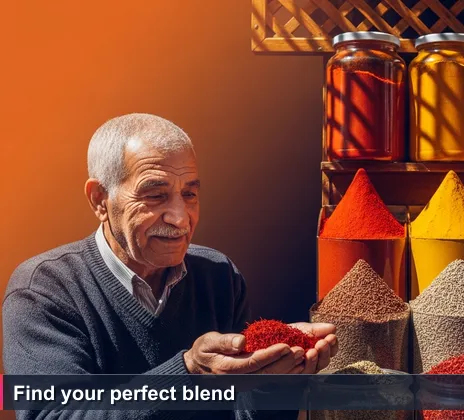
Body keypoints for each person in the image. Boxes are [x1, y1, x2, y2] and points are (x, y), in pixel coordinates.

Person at [3, 113, 337, 418]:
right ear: (99, 200)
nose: (180, 218)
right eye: (155, 195)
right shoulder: (43, 290)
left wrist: (273, 378)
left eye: (189, 195)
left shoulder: (219, 276)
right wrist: (188, 371)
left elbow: (244, 413)